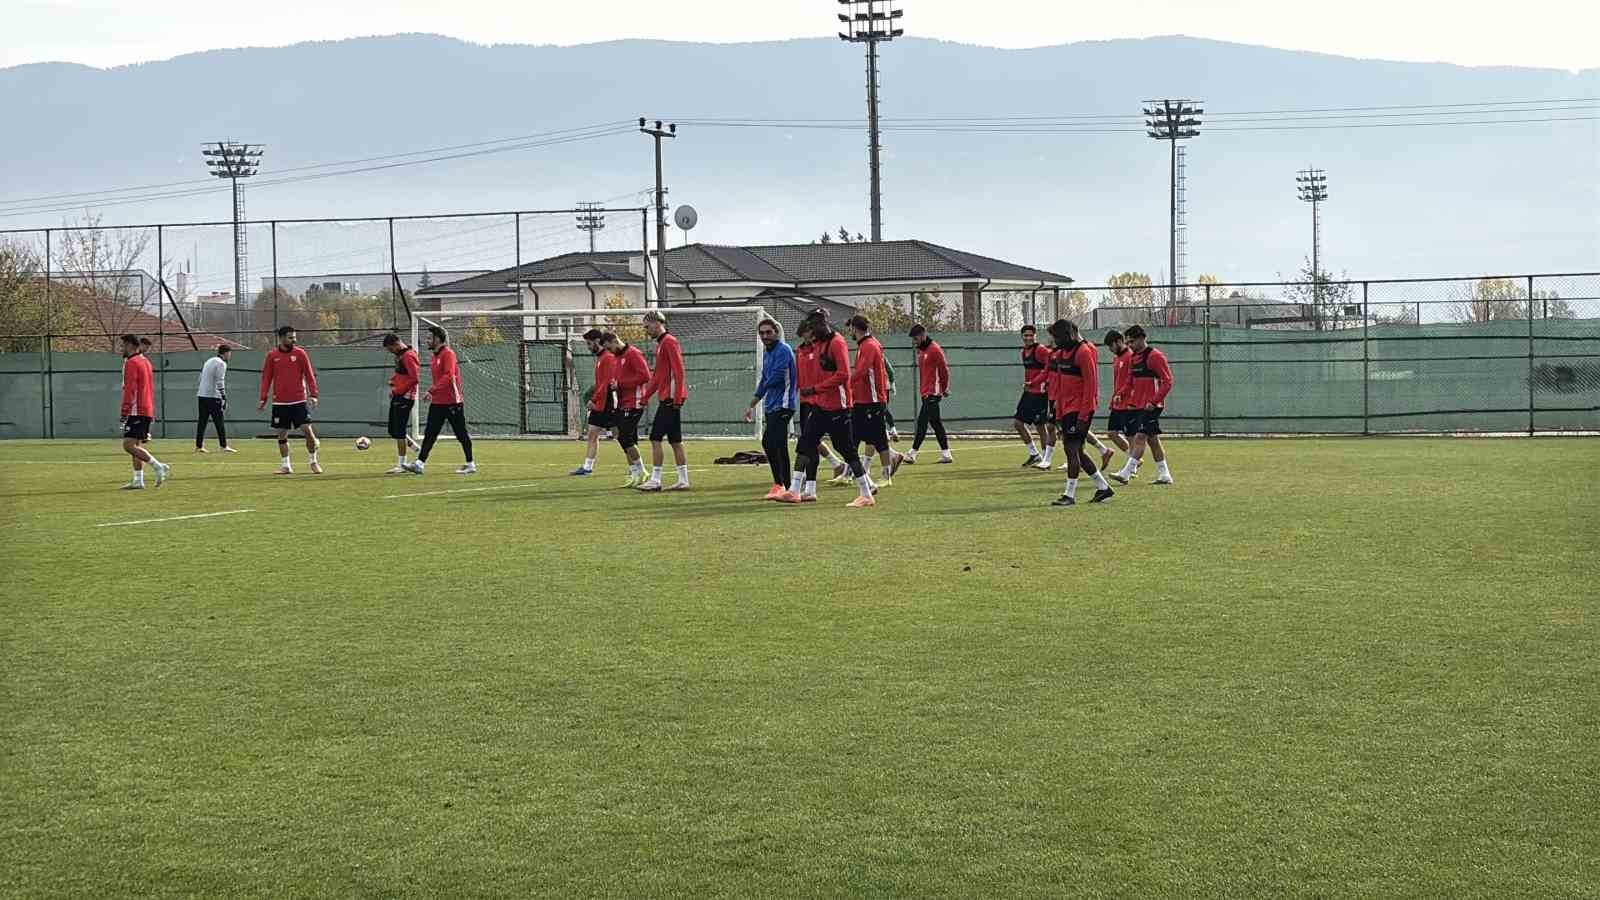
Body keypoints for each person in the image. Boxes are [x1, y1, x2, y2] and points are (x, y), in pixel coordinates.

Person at [779, 310, 875, 508]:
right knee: (805, 443)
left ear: (821, 325)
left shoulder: (836, 342)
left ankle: (866, 493)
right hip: (820, 405)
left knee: (846, 450)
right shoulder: (817, 345)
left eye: (812, 328)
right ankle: (794, 490)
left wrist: (814, 389)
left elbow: (842, 375)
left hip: (838, 407)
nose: (810, 333)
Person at [1046, 318, 1115, 506]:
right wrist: (1058, 411)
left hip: (1080, 409)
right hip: (1067, 409)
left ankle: (1069, 495)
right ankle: (1103, 488)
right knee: (1078, 451)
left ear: (1068, 335)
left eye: (1057, 338)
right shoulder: (1061, 353)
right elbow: (1060, 384)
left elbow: (1091, 386)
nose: (1055, 342)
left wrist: (1083, 416)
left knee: (1071, 450)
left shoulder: (1084, 352)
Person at [405, 325, 475, 475]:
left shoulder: (448, 354)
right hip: (438, 403)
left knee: (461, 433)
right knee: (430, 433)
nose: (427, 340)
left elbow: (449, 376)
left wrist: (431, 390)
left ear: (438, 339)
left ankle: (470, 464)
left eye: (430, 338)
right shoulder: (434, 356)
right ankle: (419, 464)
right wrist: (434, 393)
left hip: (453, 402)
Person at [1110, 324, 1175, 486]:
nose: (1129, 345)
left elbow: (1168, 381)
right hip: (1138, 405)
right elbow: (1130, 381)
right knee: (1152, 440)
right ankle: (1164, 474)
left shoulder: (1155, 356)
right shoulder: (1133, 358)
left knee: (1140, 437)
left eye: (1132, 342)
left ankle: (1126, 473)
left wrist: (1154, 401)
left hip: (1151, 406)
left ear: (1142, 339)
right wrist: (1120, 394)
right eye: (1128, 342)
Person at [744, 317, 798, 500]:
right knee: (776, 444)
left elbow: (775, 377)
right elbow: (765, 379)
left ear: (776, 332)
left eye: (768, 332)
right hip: (772, 404)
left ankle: (782, 484)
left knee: (771, 442)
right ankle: (786, 486)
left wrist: (761, 391)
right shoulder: (767, 353)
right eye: (762, 333)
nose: (765, 336)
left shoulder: (784, 350)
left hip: (784, 403)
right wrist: (752, 403)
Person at [847, 314, 903, 487]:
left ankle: (886, 475)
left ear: (855, 328)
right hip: (863, 400)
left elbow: (862, 372)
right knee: (857, 436)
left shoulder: (869, 346)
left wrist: (844, 383)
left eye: (850, 327)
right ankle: (852, 472)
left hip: (871, 400)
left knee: (876, 437)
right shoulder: (866, 345)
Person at [257, 325, 322, 475]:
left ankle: (313, 461)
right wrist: (263, 398)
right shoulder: (272, 356)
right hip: (279, 402)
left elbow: (309, 375)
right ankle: (286, 466)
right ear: (281, 338)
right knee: (281, 434)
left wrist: (313, 395)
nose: (294, 340)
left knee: (307, 431)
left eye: (294, 337)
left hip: (298, 401)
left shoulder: (300, 354)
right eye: (290, 337)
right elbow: (266, 378)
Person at [637, 311, 690, 492]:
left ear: (658, 323)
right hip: (668, 397)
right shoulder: (661, 344)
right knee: (675, 440)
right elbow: (658, 376)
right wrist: (645, 396)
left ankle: (656, 479)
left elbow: (679, 371)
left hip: (670, 399)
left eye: (647, 326)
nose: (646, 330)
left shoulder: (669, 342)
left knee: (655, 437)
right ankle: (683, 480)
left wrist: (677, 397)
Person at [117, 334, 169, 489]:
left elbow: (130, 389)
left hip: (136, 409)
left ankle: (158, 466)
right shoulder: (145, 361)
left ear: (131, 346)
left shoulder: (132, 362)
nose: (122, 348)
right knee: (136, 445)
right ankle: (138, 480)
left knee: (128, 445)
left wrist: (125, 410)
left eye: (124, 345)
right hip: (146, 408)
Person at [603, 331, 652, 487]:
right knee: (624, 437)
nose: (608, 351)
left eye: (608, 347)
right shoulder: (617, 358)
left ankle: (642, 471)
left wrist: (621, 384)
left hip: (635, 402)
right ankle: (635, 474)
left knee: (625, 437)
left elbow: (645, 376)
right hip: (622, 402)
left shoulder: (633, 353)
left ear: (614, 340)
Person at [572, 328, 618, 476]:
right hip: (600, 402)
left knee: (623, 438)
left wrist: (593, 399)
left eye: (589, 343)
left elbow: (605, 383)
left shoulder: (608, 357)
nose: (588, 347)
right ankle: (587, 467)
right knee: (592, 434)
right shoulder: (600, 358)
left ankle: (636, 467)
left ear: (598, 341)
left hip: (608, 401)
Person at [905, 324, 952, 464]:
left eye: (915, 338)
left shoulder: (935, 349)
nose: (914, 342)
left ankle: (912, 454)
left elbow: (944, 370)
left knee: (922, 422)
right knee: (936, 423)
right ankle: (946, 454)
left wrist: (944, 389)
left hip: (933, 393)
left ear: (923, 335)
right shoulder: (922, 351)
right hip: (926, 393)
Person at [1014, 324, 1054, 469]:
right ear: (1022, 337)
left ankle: (1045, 459)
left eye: (1031, 335)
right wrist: (1028, 383)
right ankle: (1034, 454)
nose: (1028, 338)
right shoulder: (1024, 352)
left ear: (1035, 336)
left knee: (1041, 427)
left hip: (1040, 394)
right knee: (1018, 423)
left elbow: (1049, 369)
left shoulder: (1041, 350)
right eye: (1026, 335)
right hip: (1029, 392)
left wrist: (1039, 383)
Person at [382, 333, 421, 474]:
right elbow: (401, 374)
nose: (390, 352)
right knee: (393, 429)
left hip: (405, 397)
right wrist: (393, 381)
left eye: (390, 349)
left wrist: (398, 390)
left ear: (396, 344)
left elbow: (414, 378)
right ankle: (417, 449)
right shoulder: (399, 356)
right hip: (398, 395)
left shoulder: (409, 356)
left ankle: (402, 464)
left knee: (399, 431)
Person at [1102, 329, 1139, 478]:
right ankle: (1134, 460)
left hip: (1129, 402)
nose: (1110, 350)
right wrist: (1114, 398)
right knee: (1112, 433)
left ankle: (1131, 467)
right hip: (1118, 402)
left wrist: (1124, 395)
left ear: (1119, 342)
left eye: (1111, 346)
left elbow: (1132, 381)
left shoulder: (1131, 357)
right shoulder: (1117, 359)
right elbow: (1118, 382)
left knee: (1131, 436)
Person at [194, 344, 236, 453]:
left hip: (202, 395)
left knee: (202, 421)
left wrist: (202, 389)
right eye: (230, 353)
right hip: (213, 396)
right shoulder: (221, 363)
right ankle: (223, 446)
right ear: (225, 353)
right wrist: (224, 397)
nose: (230, 356)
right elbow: (220, 380)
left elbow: (200, 377)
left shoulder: (209, 361)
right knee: (219, 422)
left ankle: (199, 446)